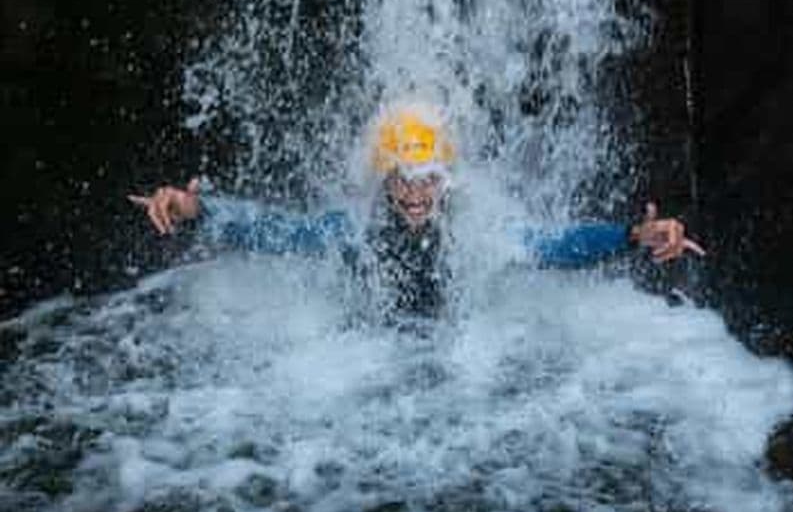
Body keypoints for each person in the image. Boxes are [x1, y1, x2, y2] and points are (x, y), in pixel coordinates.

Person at [129, 104, 705, 317]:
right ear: (383, 181)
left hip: (448, 370)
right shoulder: (352, 230)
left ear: (446, 182)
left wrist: (632, 235)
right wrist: (196, 210)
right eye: (402, 178)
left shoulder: (475, 231)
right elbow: (279, 232)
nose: (414, 192)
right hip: (377, 363)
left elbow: (553, 247)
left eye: (427, 178)